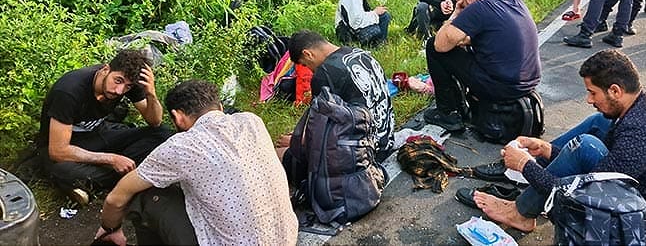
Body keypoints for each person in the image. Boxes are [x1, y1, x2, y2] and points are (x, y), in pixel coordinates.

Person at [469, 50, 646, 244]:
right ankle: (538, 172)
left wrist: (525, 166)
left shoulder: (642, 132)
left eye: (592, 93)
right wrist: (546, 149)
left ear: (615, 90)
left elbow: (584, 192)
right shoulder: (640, 106)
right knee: (598, 123)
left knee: (585, 146)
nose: (589, 100)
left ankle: (521, 212)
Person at [92, 80, 297, 246]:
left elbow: (116, 198)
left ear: (177, 117)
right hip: (285, 239)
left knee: (145, 194)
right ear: (220, 107)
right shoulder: (252, 122)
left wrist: (110, 228)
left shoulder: (182, 146)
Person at [38, 49, 171, 203]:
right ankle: (134, 175)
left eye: (127, 87)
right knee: (62, 171)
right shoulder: (70, 91)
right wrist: (111, 159)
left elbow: (155, 121)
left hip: (98, 134)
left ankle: (101, 180)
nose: (119, 91)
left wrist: (151, 94)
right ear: (106, 69)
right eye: (118, 81)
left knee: (162, 134)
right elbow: (58, 151)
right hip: (65, 145)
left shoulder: (127, 82)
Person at [422, 0, 541, 132]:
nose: (463, 9)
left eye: (463, 5)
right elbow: (495, 35)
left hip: (503, 87)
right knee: (459, 44)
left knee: (432, 46)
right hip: (529, 82)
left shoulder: (479, 8)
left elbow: (440, 44)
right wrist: (464, 40)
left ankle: (448, 113)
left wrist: (455, 14)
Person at [280, 29, 395, 160]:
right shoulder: (362, 54)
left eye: (305, 65)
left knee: (279, 153)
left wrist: (297, 141)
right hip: (386, 141)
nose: (310, 70)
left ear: (308, 54)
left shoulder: (324, 74)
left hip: (363, 156)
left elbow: (320, 131)